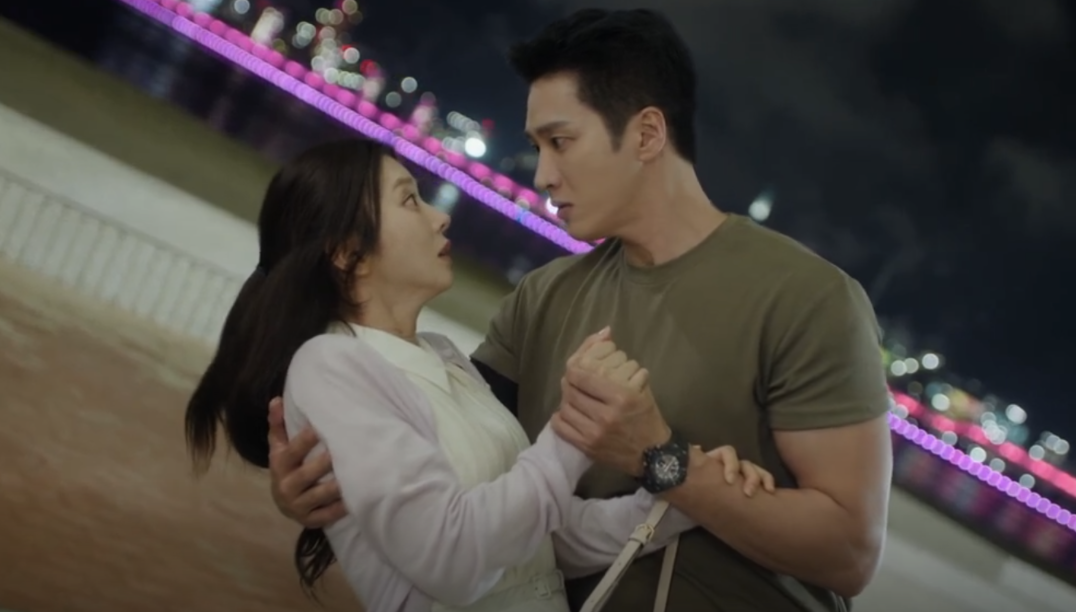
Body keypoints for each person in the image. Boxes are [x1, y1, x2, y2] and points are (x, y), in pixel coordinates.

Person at [268, 7, 894, 612]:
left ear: (646, 135)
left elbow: (849, 554)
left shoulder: (808, 298)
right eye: (538, 146)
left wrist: (662, 460)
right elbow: (458, 474)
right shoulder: (544, 297)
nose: (543, 174)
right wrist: (323, 492)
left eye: (561, 142)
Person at [184, 138, 776, 612]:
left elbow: (543, 536)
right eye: (410, 201)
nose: (442, 216)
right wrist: (575, 427)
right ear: (347, 253)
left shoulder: (444, 355)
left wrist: (687, 492)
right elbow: (451, 557)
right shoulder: (330, 365)